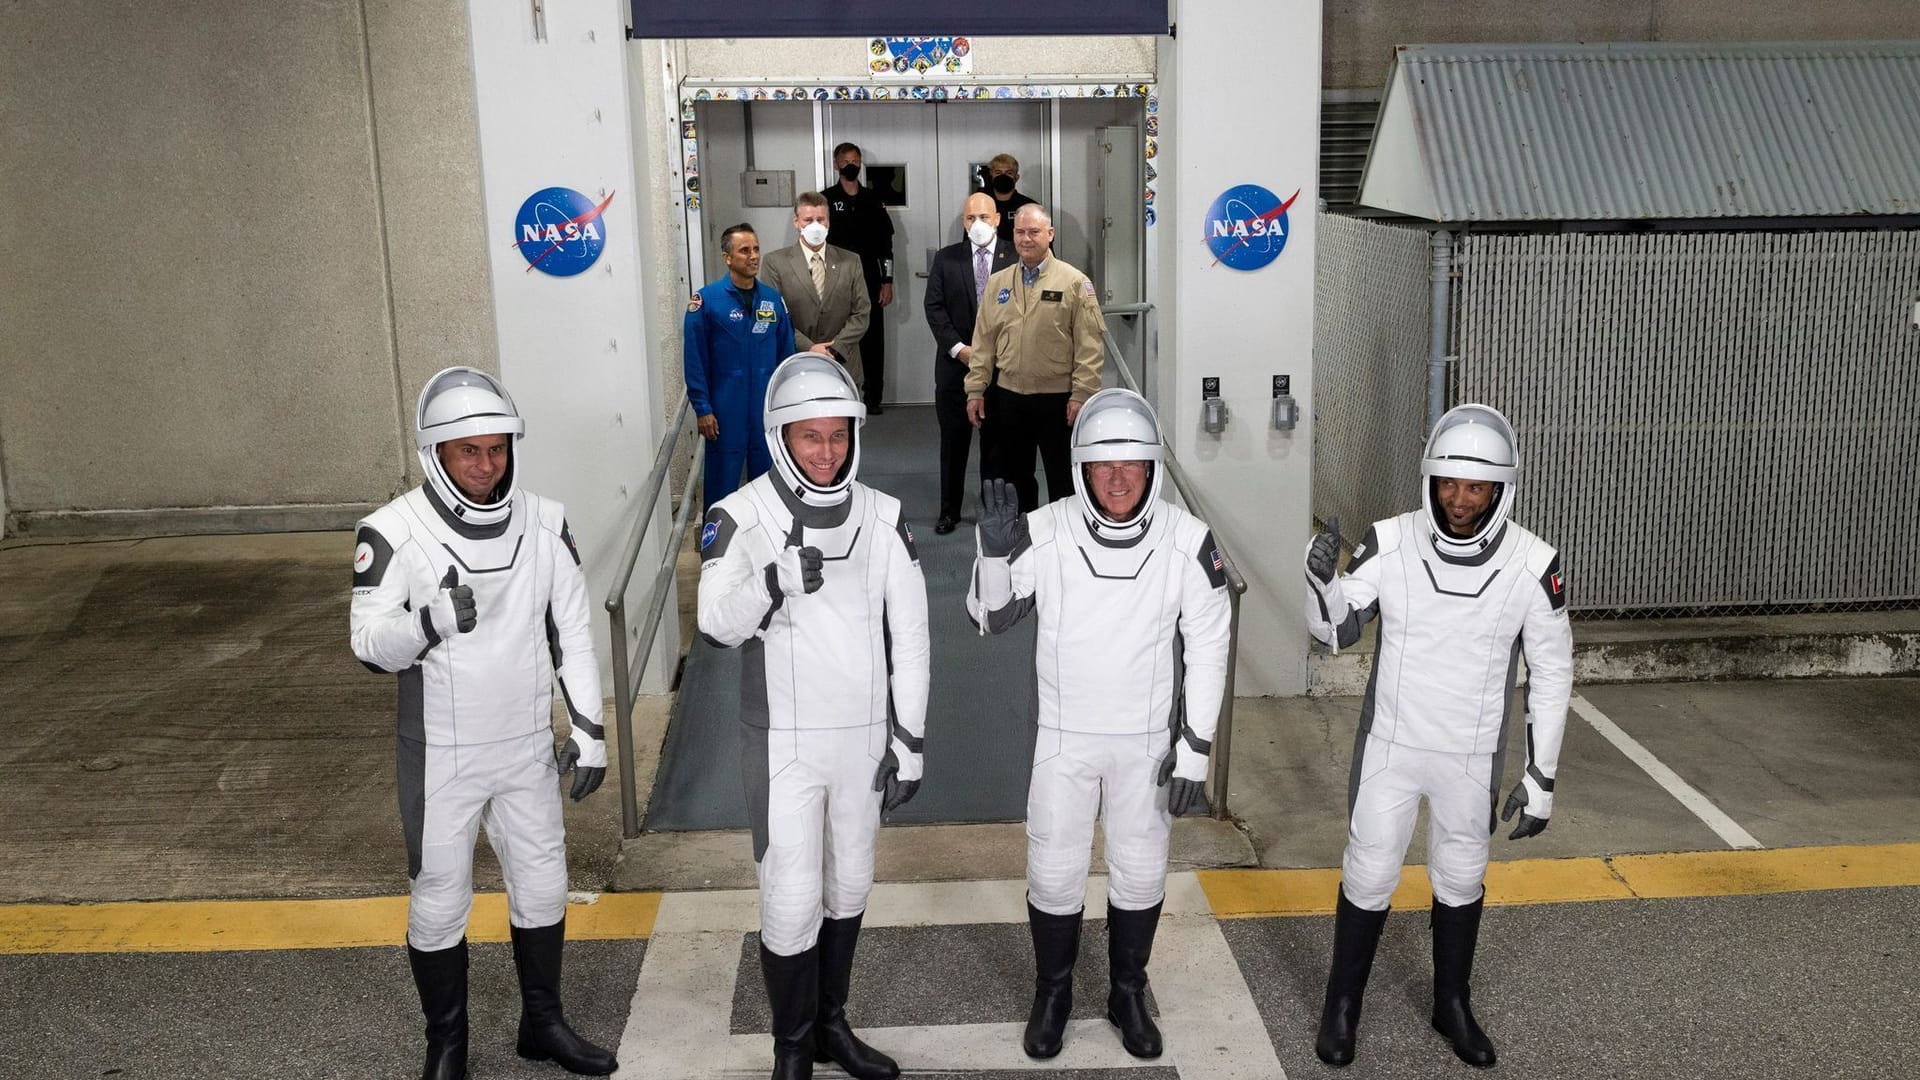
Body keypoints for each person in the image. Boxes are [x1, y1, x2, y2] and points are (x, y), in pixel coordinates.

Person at [350, 367, 618, 1080]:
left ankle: (544, 1024)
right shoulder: (392, 529)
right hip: (442, 754)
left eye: (496, 448)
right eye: (467, 451)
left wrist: (589, 729)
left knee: (542, 886)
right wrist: (427, 624)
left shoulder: (546, 519)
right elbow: (368, 645)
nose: (485, 464)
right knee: (440, 899)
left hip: (527, 748)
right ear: (434, 453)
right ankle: (447, 1045)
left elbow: (574, 634)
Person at [1301, 403, 1573, 1069]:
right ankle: (1343, 1004)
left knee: (1461, 875)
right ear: (1430, 480)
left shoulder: (1534, 564)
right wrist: (1320, 586)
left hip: (1471, 756)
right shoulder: (1389, 541)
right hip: (1392, 748)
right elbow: (1336, 632)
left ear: (1501, 488)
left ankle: (1451, 1001)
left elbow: (1553, 670)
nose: (1459, 500)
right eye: (1449, 483)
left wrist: (1540, 779)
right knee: (1369, 871)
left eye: (1475, 486)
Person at [965, 388, 1231, 1063]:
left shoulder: (1188, 541)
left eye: (1132, 466)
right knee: (1054, 873)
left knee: (1139, 873)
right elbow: (989, 618)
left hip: (1146, 744)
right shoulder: (1046, 529)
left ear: (1153, 468)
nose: (1117, 480)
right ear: (1080, 467)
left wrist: (1194, 750)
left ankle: (1126, 992)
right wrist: (994, 556)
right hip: (1064, 738)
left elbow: (1209, 647)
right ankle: (1053, 992)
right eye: (1103, 466)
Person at [696, 353, 931, 1080]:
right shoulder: (738, 516)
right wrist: (770, 583)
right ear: (781, 438)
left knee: (851, 885)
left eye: (837, 436)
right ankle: (791, 1048)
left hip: (863, 742)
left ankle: (831, 1026)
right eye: (810, 437)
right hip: (784, 745)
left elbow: (912, 636)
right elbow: (712, 624)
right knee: (792, 900)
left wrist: (910, 738)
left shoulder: (884, 516)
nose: (826, 452)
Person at [964, 204, 1106, 514]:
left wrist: (1082, 394)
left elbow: (1089, 347)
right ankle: (1023, 541)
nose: (1026, 239)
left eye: (1034, 232)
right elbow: (984, 341)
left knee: (1063, 480)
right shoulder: (998, 283)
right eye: (1019, 232)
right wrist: (975, 390)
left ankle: (1065, 543)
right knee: (1015, 479)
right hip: (1009, 398)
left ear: (1050, 234)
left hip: (1058, 402)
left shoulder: (1074, 283)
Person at [685, 223, 797, 511]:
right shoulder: (707, 301)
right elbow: (695, 360)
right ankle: (717, 549)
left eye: (756, 249)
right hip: (725, 409)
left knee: (771, 483)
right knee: (722, 485)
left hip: (765, 407)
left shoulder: (772, 300)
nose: (754, 256)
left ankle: (770, 546)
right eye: (744, 250)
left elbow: (786, 356)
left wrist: (786, 407)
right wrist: (703, 409)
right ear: (727, 257)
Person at [923, 191, 1016, 534]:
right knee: (954, 441)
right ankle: (949, 510)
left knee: (996, 445)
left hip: (1002, 370)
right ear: (963, 223)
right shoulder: (947, 259)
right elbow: (934, 308)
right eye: (970, 218)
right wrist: (959, 349)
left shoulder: (1015, 256)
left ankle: (994, 511)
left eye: (983, 217)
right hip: (954, 369)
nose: (977, 224)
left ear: (997, 219)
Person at [759, 192, 872, 392]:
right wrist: (810, 348)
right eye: (808, 220)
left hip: (844, 364)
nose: (815, 226)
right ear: (796, 222)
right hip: (796, 366)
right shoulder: (774, 263)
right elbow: (774, 318)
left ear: (828, 221)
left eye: (820, 219)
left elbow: (861, 312)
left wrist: (835, 347)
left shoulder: (851, 261)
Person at [821, 142, 895, 414]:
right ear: (836, 164)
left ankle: (873, 397)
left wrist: (887, 281)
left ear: (860, 163)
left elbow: (887, 246)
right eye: (845, 161)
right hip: (835, 279)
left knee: (873, 339)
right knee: (836, 337)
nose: (850, 165)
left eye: (854, 160)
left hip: (870, 279)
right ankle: (835, 392)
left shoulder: (873, 199)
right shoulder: (825, 199)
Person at [984, 153, 1039, 246]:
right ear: (991, 175)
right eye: (998, 172)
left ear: (1016, 177)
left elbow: (1042, 242)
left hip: (1021, 258)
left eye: (1009, 173)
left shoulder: (1030, 207)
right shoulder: (981, 206)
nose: (1003, 176)